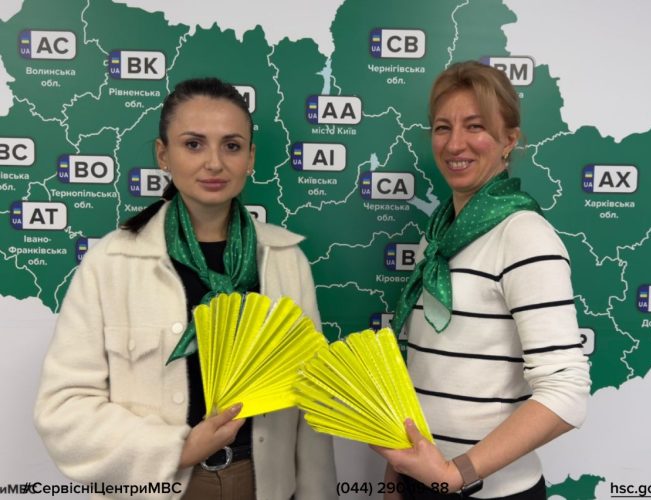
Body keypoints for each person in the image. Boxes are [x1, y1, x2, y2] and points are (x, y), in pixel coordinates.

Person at [34, 77, 336, 500]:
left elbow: (310, 399)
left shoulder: (286, 260)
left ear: (250, 157)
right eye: (193, 144)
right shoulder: (111, 263)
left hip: (263, 485)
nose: (214, 162)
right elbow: (64, 409)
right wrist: (178, 449)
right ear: (163, 154)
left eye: (232, 146)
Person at [375, 61, 591, 499]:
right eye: (443, 128)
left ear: (509, 140)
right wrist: (397, 475)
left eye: (475, 126)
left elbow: (567, 393)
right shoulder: (440, 236)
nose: (455, 144)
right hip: (422, 484)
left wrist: (456, 475)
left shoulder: (523, 235)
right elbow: (428, 372)